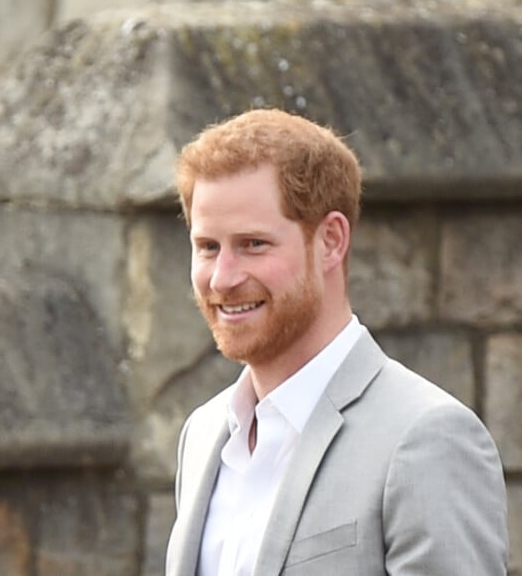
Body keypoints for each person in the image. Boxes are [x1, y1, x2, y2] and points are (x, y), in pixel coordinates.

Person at [166, 108, 508, 575]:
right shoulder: (202, 434)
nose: (222, 279)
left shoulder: (427, 437)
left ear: (330, 240)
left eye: (253, 244)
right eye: (208, 246)